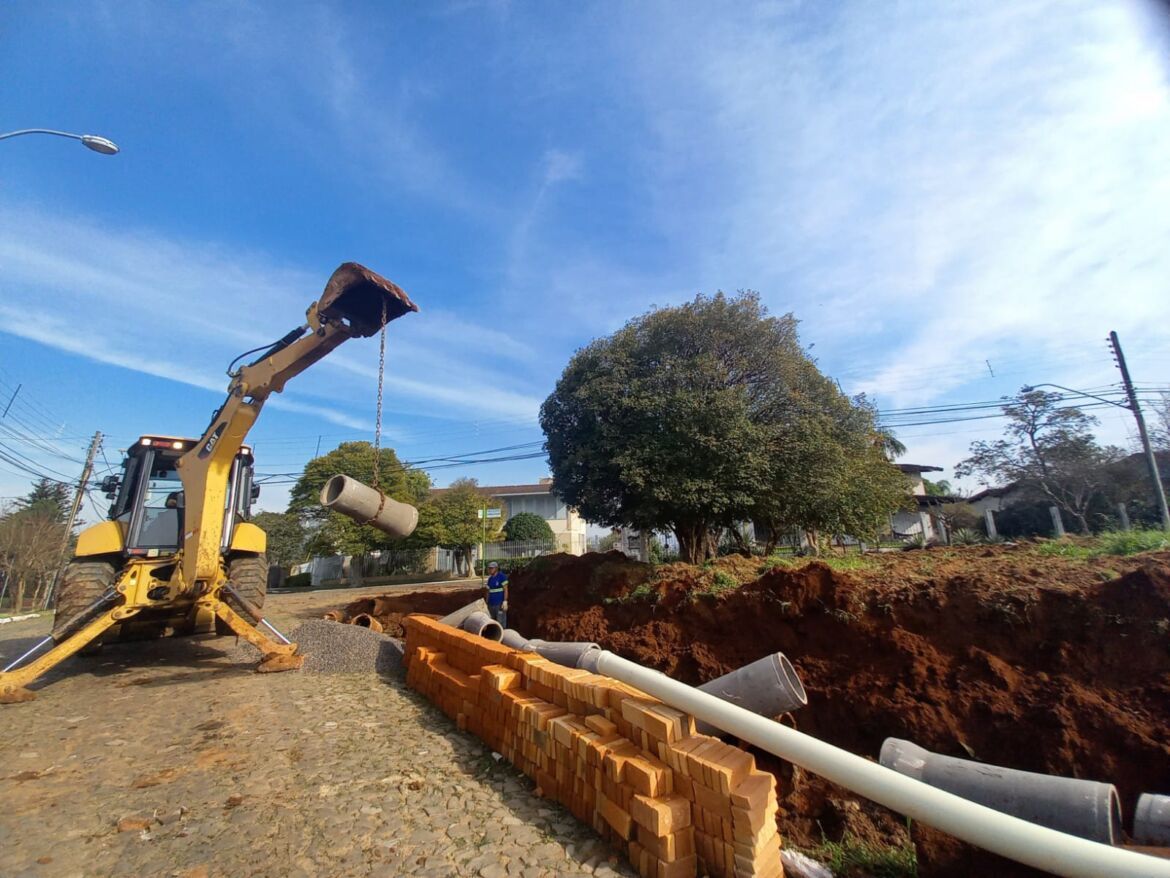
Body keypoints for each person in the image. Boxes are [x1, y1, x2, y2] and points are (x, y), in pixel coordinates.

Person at [485, 561, 509, 627]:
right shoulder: (490, 579)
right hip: (491, 604)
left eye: (491, 568)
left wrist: (505, 601)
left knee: (500, 621)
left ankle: (503, 634)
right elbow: (488, 591)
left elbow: (506, 589)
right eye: (489, 568)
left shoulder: (502, 577)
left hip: (499, 605)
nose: (490, 570)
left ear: (496, 568)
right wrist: (486, 602)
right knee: (491, 621)